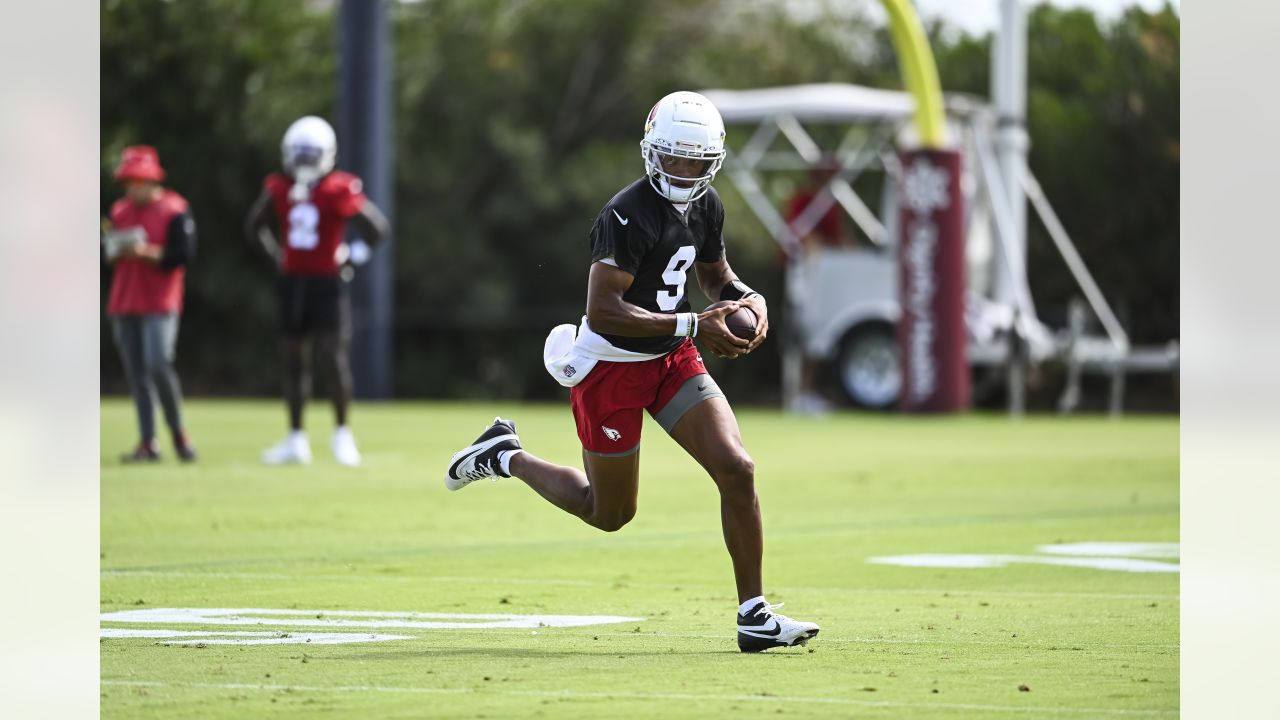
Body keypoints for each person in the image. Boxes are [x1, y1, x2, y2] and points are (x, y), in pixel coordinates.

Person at [443, 91, 819, 653]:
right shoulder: (626, 213)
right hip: (612, 366)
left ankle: (754, 614)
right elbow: (604, 309)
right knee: (609, 512)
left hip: (670, 358)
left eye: (695, 161)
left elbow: (716, 277)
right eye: (673, 158)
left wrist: (750, 298)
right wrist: (694, 325)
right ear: (652, 153)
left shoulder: (707, 204)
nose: (683, 171)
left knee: (737, 468)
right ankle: (505, 455)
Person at [245, 116, 389, 467]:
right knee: (294, 362)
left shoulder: (338, 188)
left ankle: (342, 435)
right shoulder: (279, 187)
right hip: (294, 284)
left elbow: (377, 228)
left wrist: (352, 256)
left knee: (333, 359)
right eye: (300, 154)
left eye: (311, 154)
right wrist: (279, 258)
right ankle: (296, 439)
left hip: (327, 284)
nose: (305, 162)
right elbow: (254, 226)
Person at [103, 145, 198, 463]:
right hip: (124, 301)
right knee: (136, 375)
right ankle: (148, 442)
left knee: (158, 363)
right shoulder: (118, 211)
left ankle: (179, 435)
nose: (132, 188)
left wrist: (145, 252)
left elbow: (181, 255)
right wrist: (115, 250)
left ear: (152, 180)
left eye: (137, 181)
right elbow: (110, 257)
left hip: (160, 301)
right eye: (128, 182)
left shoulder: (175, 210)